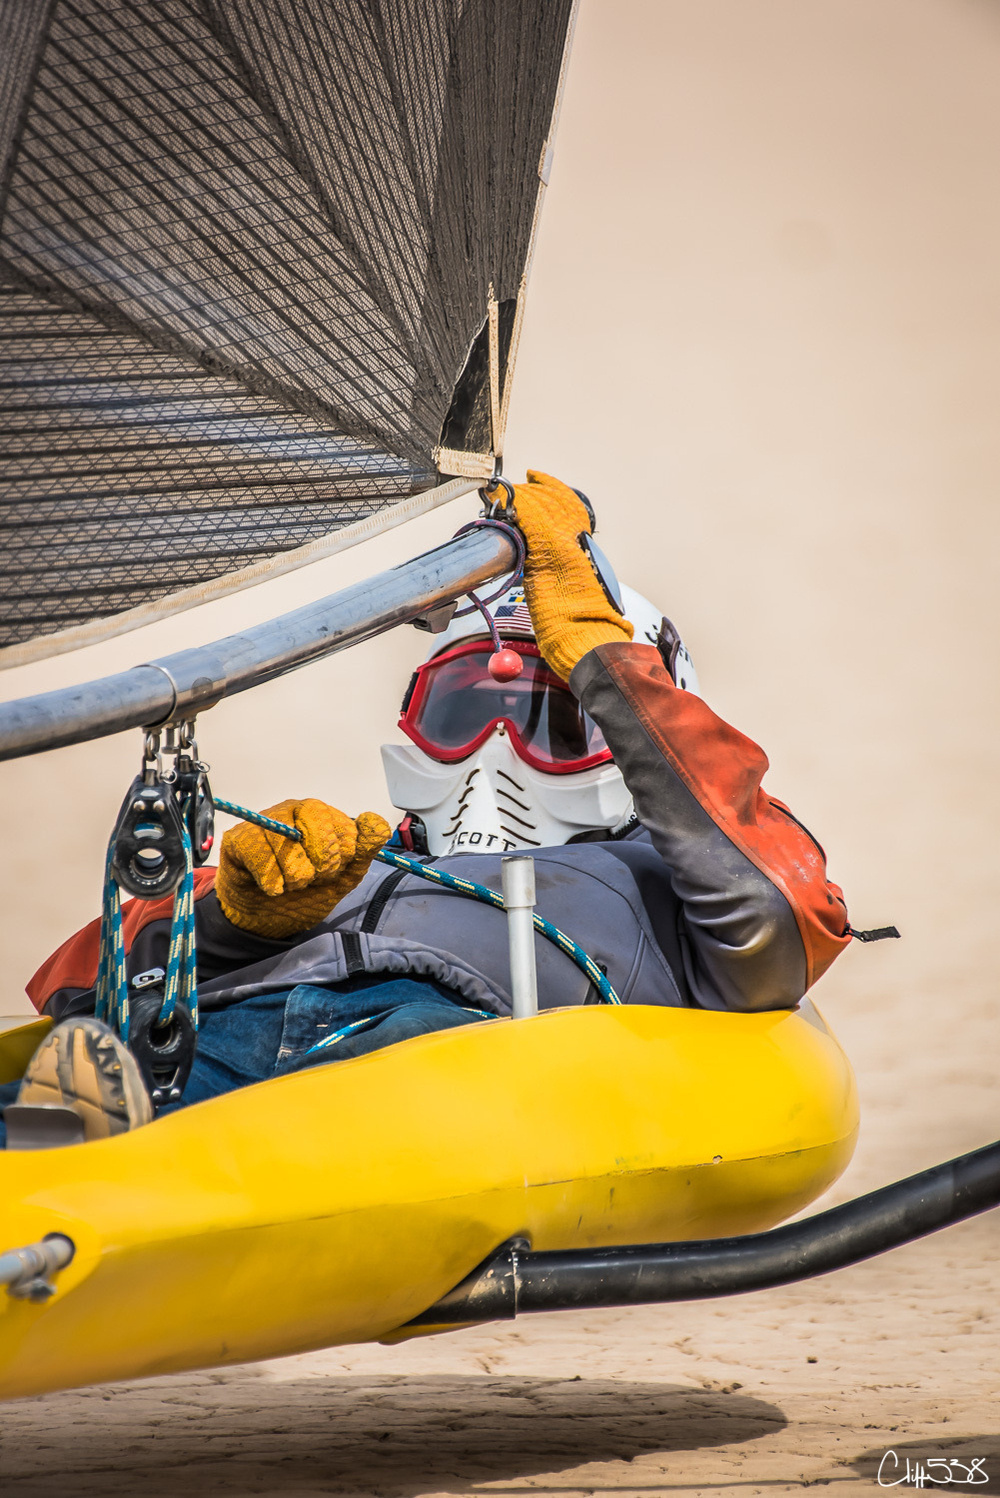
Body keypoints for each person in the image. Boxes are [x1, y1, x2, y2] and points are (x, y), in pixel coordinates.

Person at [1, 473, 851, 1146]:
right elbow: (81, 979)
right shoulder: (363, 863)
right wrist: (243, 922)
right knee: (133, 1064)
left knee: (369, 1039)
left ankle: (94, 1133)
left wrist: (601, 657)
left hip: (421, 1055)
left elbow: (780, 914)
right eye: (458, 714)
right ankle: (73, 1128)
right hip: (227, 1036)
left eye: (548, 721)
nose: (492, 754)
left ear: (632, 744)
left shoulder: (673, 889)